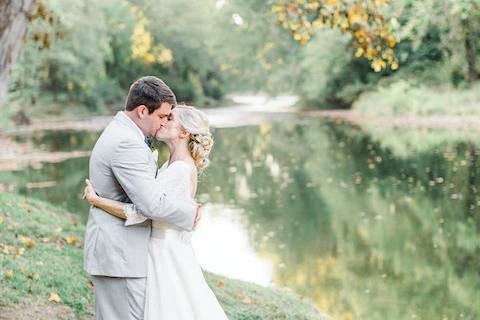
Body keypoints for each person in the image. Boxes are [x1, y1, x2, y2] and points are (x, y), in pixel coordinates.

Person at [83, 105, 229, 319]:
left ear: (184, 132)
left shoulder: (179, 170)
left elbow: (143, 212)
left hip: (163, 252)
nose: (163, 121)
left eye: (169, 118)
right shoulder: (172, 165)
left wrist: (97, 200)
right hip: (160, 247)